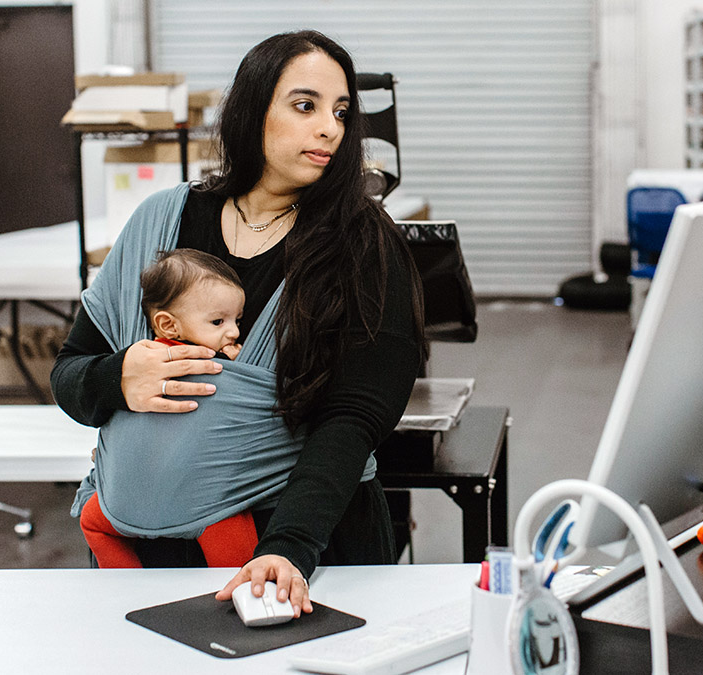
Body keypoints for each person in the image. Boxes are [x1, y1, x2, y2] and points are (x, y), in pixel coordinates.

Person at [51, 30, 426, 618]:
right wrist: (117, 376)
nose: (330, 127)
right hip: (139, 559)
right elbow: (70, 375)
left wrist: (289, 549)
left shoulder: (364, 245)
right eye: (305, 106)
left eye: (341, 111)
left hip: (291, 558)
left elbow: (355, 419)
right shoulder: (160, 220)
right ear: (253, 110)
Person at [78, 249, 259, 568]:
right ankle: (240, 603)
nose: (233, 331)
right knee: (241, 570)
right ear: (168, 325)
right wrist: (240, 367)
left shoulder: (136, 363)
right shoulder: (215, 364)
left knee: (93, 522)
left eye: (236, 320)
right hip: (206, 503)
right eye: (218, 321)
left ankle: (129, 586)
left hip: (130, 496)